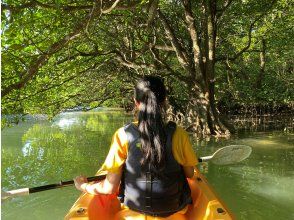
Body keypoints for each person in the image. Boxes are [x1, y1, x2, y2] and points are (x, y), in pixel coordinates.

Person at [74, 76, 198, 219]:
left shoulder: (123, 135)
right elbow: (189, 174)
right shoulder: (179, 134)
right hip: (175, 213)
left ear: (136, 102)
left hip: (132, 215)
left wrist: (83, 186)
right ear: (164, 101)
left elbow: (109, 188)